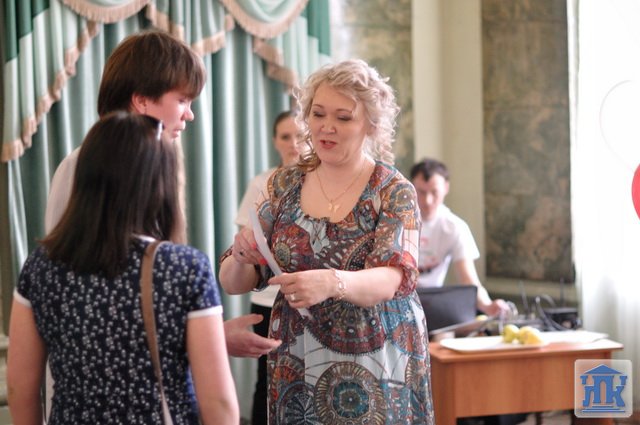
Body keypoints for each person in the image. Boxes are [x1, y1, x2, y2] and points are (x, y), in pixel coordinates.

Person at [219, 59, 434, 424]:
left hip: (378, 356)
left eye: (343, 117)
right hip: (298, 356)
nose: (326, 127)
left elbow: (394, 277)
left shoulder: (393, 190)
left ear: (371, 124)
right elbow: (231, 281)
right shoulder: (283, 185)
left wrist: (332, 282)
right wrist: (241, 255)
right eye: (317, 114)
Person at [43, 29, 280, 358]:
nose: (190, 114)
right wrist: (212, 339)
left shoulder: (145, 172)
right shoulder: (87, 170)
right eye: (182, 100)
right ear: (142, 101)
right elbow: (100, 302)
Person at [7, 112, 239, 424]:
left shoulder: (41, 267)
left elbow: (19, 389)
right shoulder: (184, 269)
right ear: (159, 183)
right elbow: (219, 402)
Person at [234, 110, 302, 425]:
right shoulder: (262, 183)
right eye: (286, 137)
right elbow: (244, 242)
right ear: (275, 141)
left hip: (305, 299)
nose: (293, 144)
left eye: (299, 136)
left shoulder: (321, 183)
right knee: (267, 380)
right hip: (266, 300)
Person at [410, 158, 510, 317]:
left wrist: (488, 305)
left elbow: (468, 279)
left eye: (434, 192)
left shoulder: (454, 227)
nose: (427, 201)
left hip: (431, 305)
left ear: (446, 188)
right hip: (396, 302)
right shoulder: (396, 221)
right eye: (421, 192)